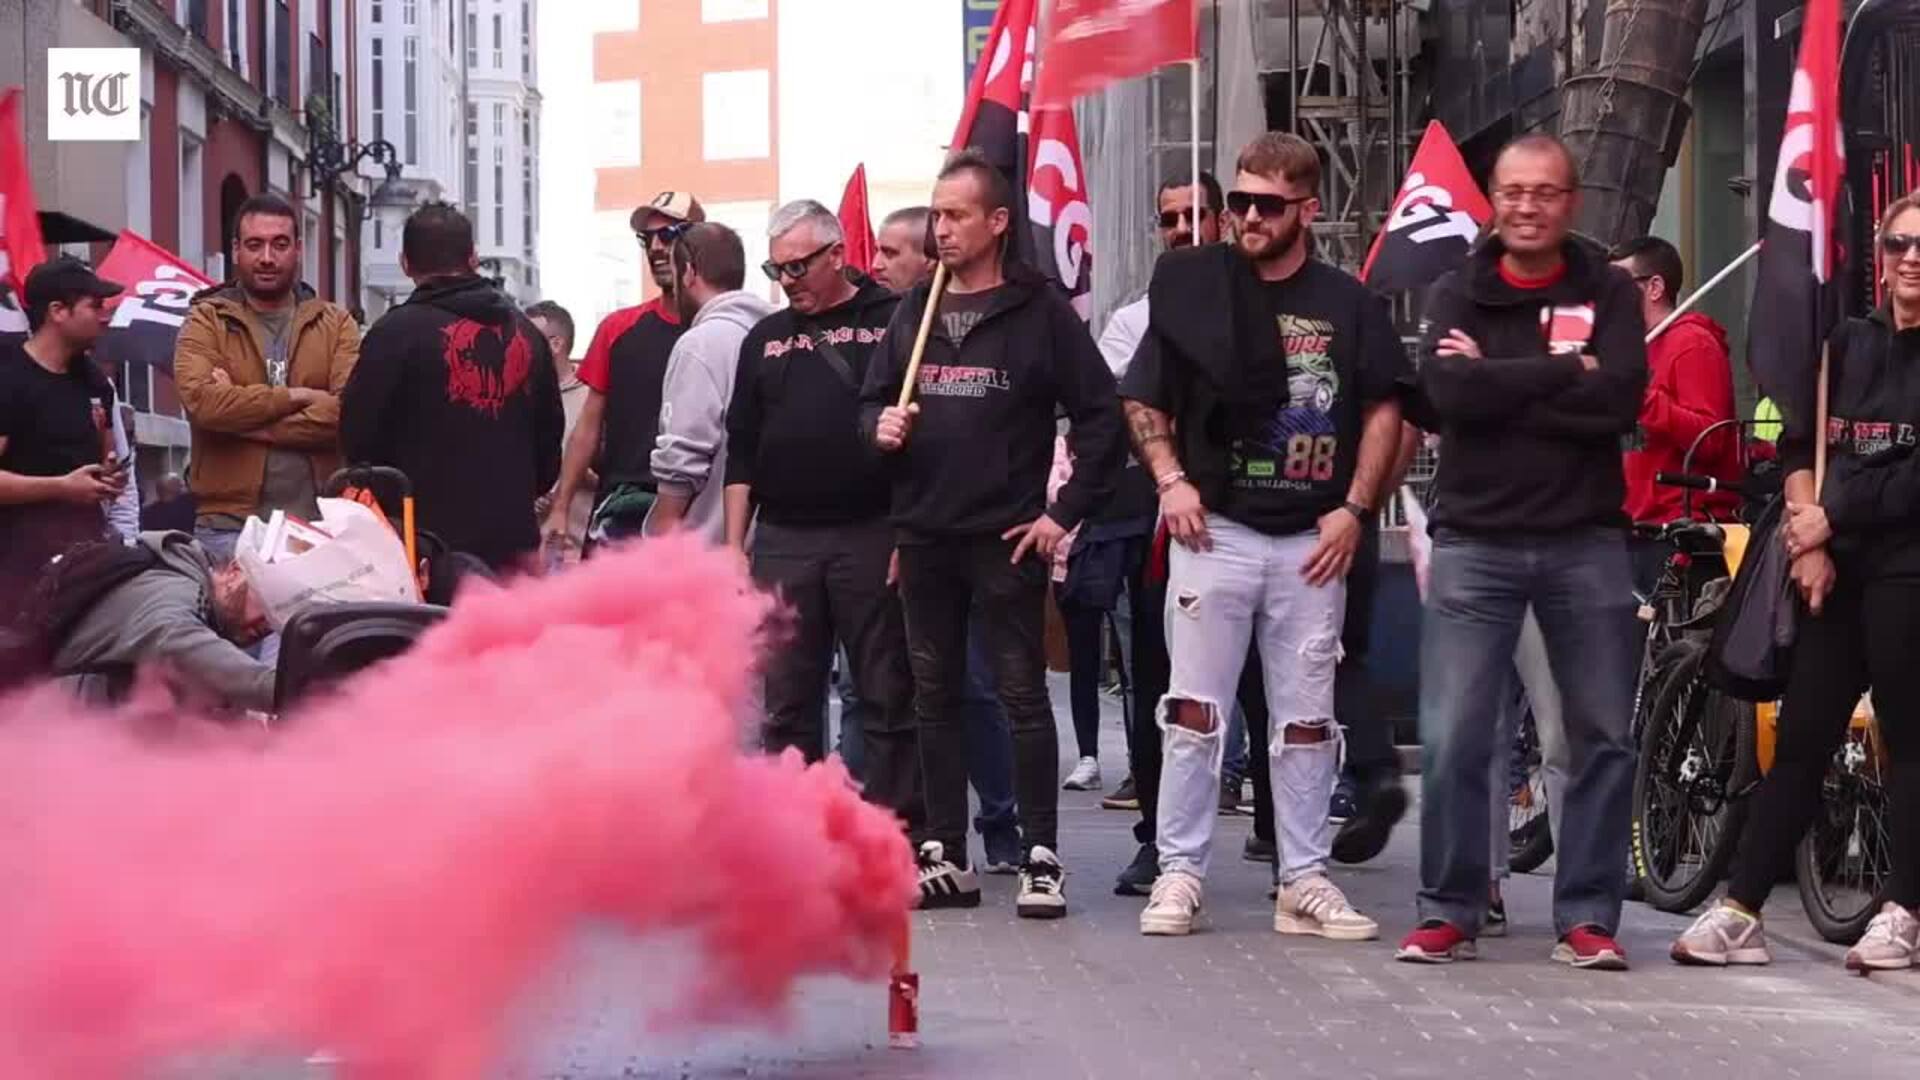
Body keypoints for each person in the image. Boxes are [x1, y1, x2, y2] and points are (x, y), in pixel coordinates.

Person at [1120, 134, 1407, 940]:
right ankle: (1179, 871)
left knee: (1308, 720)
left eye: (1266, 204)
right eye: (1239, 200)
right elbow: (1143, 394)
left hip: (1312, 537)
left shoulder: (1347, 302)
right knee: (1192, 712)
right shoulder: (1191, 288)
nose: (1246, 216)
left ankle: (1304, 877)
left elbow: (1388, 405)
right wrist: (1171, 480)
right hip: (1217, 530)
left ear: (1307, 210)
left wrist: (1355, 507)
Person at [1395, 133, 1647, 969]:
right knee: (1459, 735)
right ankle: (1451, 910)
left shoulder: (1607, 289)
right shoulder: (1454, 290)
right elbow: (1445, 398)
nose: (1527, 207)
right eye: (1512, 191)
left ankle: (1586, 918)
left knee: (1601, 735)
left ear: (1570, 203)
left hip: (1587, 542)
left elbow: (1618, 402)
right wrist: (1559, 369)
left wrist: (1499, 382)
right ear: (1493, 201)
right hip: (1477, 543)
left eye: (1544, 192)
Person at [863, 149, 1126, 919]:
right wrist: (876, 426)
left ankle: (1041, 855)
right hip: (924, 534)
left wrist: (1062, 514)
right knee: (933, 694)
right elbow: (872, 403)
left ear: (998, 222)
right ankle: (947, 854)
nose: (940, 230)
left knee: (1019, 694)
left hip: (1005, 536)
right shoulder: (915, 310)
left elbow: (1101, 417)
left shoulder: (1038, 310)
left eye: (956, 216)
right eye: (936, 215)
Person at [1671, 192, 1920, 973]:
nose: (1911, 258)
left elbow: (1911, 477)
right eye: (1899, 242)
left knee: (1909, 742)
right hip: (1833, 570)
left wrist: (1827, 520)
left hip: (1909, 566)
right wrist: (1805, 529)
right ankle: (1743, 906)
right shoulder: (1841, 345)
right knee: (1803, 737)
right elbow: (1796, 443)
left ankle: (1905, 910)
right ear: (1877, 255)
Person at [723, 199, 918, 829]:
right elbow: (742, 449)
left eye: (800, 266)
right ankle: (791, 828)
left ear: (838, 254)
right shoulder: (764, 337)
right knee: (786, 699)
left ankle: (893, 829)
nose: (789, 281)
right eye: (777, 269)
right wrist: (734, 544)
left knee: (886, 694)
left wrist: (906, 533)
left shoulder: (893, 322)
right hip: (782, 536)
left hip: (871, 530)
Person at [860, 214, 1025, 873]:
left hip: (972, 535)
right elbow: (869, 415)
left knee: (980, 686)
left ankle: (1003, 821)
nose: (880, 263)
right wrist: (878, 425)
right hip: (899, 532)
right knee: (905, 690)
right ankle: (927, 832)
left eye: (895, 252)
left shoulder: (970, 321)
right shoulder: (898, 322)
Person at [1101, 170, 1224, 896]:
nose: (1184, 230)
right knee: (1157, 686)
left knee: (1266, 693)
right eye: (1171, 219)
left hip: (1255, 519)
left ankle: (1278, 836)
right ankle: (1157, 839)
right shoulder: (1133, 321)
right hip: (1162, 530)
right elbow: (1135, 410)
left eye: (1197, 215)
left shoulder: (1256, 302)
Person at [340, 203, 564, 571]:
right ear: (473, 258)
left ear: (405, 264)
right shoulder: (529, 334)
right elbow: (549, 444)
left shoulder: (393, 335)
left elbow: (359, 441)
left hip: (424, 550)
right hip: (512, 546)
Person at [174, 193, 360, 564]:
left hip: (317, 523)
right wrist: (295, 397)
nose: (267, 258)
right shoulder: (206, 319)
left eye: (280, 244)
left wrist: (243, 423)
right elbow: (203, 403)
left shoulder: (336, 323)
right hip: (228, 527)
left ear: (298, 249)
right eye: (255, 245)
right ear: (236, 250)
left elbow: (347, 414)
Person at [544, 193, 704, 550]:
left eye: (670, 234)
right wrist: (561, 507)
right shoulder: (618, 328)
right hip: (621, 516)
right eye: (648, 239)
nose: (657, 247)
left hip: (701, 519)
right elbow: (587, 427)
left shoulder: (725, 330)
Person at [0, 256, 127, 621]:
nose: (106, 315)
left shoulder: (94, 380)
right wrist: (60, 487)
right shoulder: (8, 378)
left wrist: (108, 477)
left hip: (83, 566)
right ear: (58, 311)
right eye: (95, 305)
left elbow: (103, 460)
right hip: (16, 575)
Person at [1610, 236, 1741, 578]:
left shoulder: (1693, 344)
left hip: (1676, 536)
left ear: (1654, 287)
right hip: (1629, 529)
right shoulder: (1633, 349)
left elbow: (1711, 439)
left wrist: (1643, 398)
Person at [45, 531, 276, 711]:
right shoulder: (175, 590)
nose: (269, 624)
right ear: (235, 571)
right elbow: (176, 637)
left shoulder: (185, 578)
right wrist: (287, 693)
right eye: (268, 602)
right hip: (68, 727)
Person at [645, 223, 775, 542]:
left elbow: (682, 457)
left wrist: (658, 537)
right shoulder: (774, 336)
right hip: (770, 548)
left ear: (688, 272)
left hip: (706, 557)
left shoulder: (700, 343)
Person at [526, 300, 594, 557]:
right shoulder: (517, 398)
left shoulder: (593, 400)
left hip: (575, 551)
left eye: (530, 337)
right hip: (525, 554)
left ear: (556, 344)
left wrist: (579, 472)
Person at [872, 206, 935, 294]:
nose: (875, 265)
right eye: (876, 251)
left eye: (889, 253)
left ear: (930, 259)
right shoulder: (864, 304)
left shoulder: (949, 306)